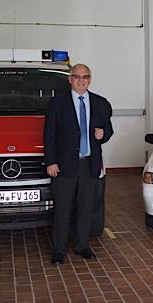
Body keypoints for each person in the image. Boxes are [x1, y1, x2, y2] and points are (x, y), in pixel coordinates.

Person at [44, 63, 113, 265]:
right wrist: (51, 161)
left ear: (90, 79)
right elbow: (49, 135)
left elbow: (108, 130)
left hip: (90, 165)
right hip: (64, 166)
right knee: (62, 209)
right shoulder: (57, 103)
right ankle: (59, 250)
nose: (81, 80)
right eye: (77, 77)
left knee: (86, 208)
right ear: (70, 79)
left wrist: (104, 134)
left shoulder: (101, 103)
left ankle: (83, 246)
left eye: (85, 77)